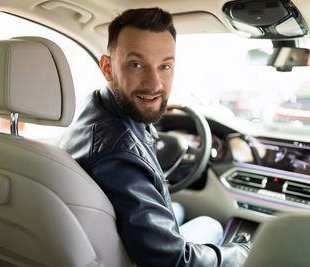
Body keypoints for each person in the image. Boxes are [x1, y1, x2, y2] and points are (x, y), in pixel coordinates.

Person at [59, 7, 250, 266]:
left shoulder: (95, 106)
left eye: (165, 66)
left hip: (107, 235)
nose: (155, 84)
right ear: (108, 68)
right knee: (211, 224)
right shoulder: (120, 153)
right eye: (136, 64)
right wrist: (245, 252)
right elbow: (173, 260)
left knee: (177, 209)